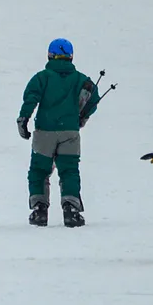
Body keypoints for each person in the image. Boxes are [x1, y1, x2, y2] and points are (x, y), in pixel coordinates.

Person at [17, 38, 100, 228]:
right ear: (71, 56)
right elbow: (92, 99)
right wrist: (82, 117)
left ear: (50, 55)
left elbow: (31, 98)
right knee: (69, 170)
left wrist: (23, 119)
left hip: (44, 131)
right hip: (70, 131)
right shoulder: (81, 79)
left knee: (39, 170)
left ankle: (39, 210)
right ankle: (71, 210)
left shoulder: (42, 77)